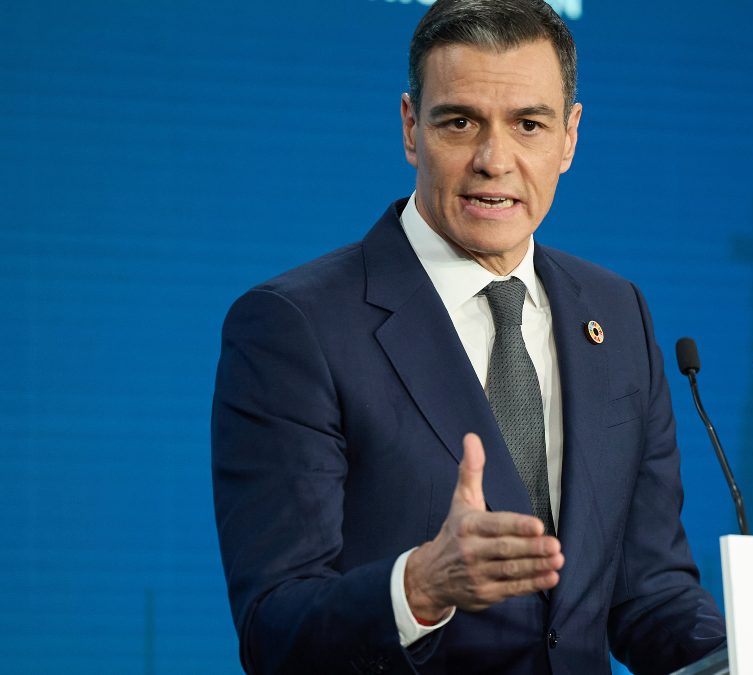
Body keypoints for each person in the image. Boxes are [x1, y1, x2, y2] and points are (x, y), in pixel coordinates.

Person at [211, 1, 726, 673]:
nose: (494, 160)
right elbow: (274, 628)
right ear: (410, 128)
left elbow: (649, 592)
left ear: (569, 137)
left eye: (528, 125)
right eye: (460, 122)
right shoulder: (295, 326)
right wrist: (419, 588)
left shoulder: (616, 313)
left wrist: (752, 655)